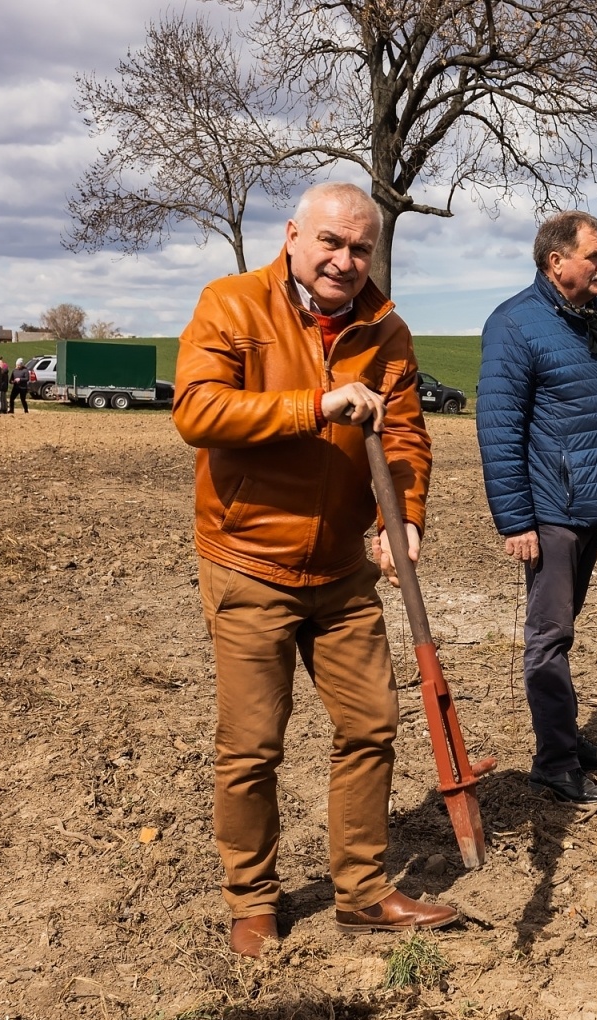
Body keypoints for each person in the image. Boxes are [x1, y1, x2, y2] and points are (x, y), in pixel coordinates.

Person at [172, 182, 455, 957]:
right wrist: (316, 405)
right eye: (331, 242)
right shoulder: (232, 304)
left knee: (371, 726)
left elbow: (406, 436)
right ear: (294, 235)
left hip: (340, 570)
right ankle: (251, 901)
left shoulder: (384, 328)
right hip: (249, 562)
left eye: (360, 248)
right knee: (253, 745)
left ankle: (362, 892)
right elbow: (197, 412)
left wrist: (407, 519)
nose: (345, 260)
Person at [477, 210, 597, 805]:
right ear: (557, 261)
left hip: (588, 505)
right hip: (551, 511)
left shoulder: (590, 319)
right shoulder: (514, 325)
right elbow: (499, 429)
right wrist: (516, 520)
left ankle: (569, 741)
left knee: (563, 633)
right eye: (595, 255)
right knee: (548, 637)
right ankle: (552, 762)